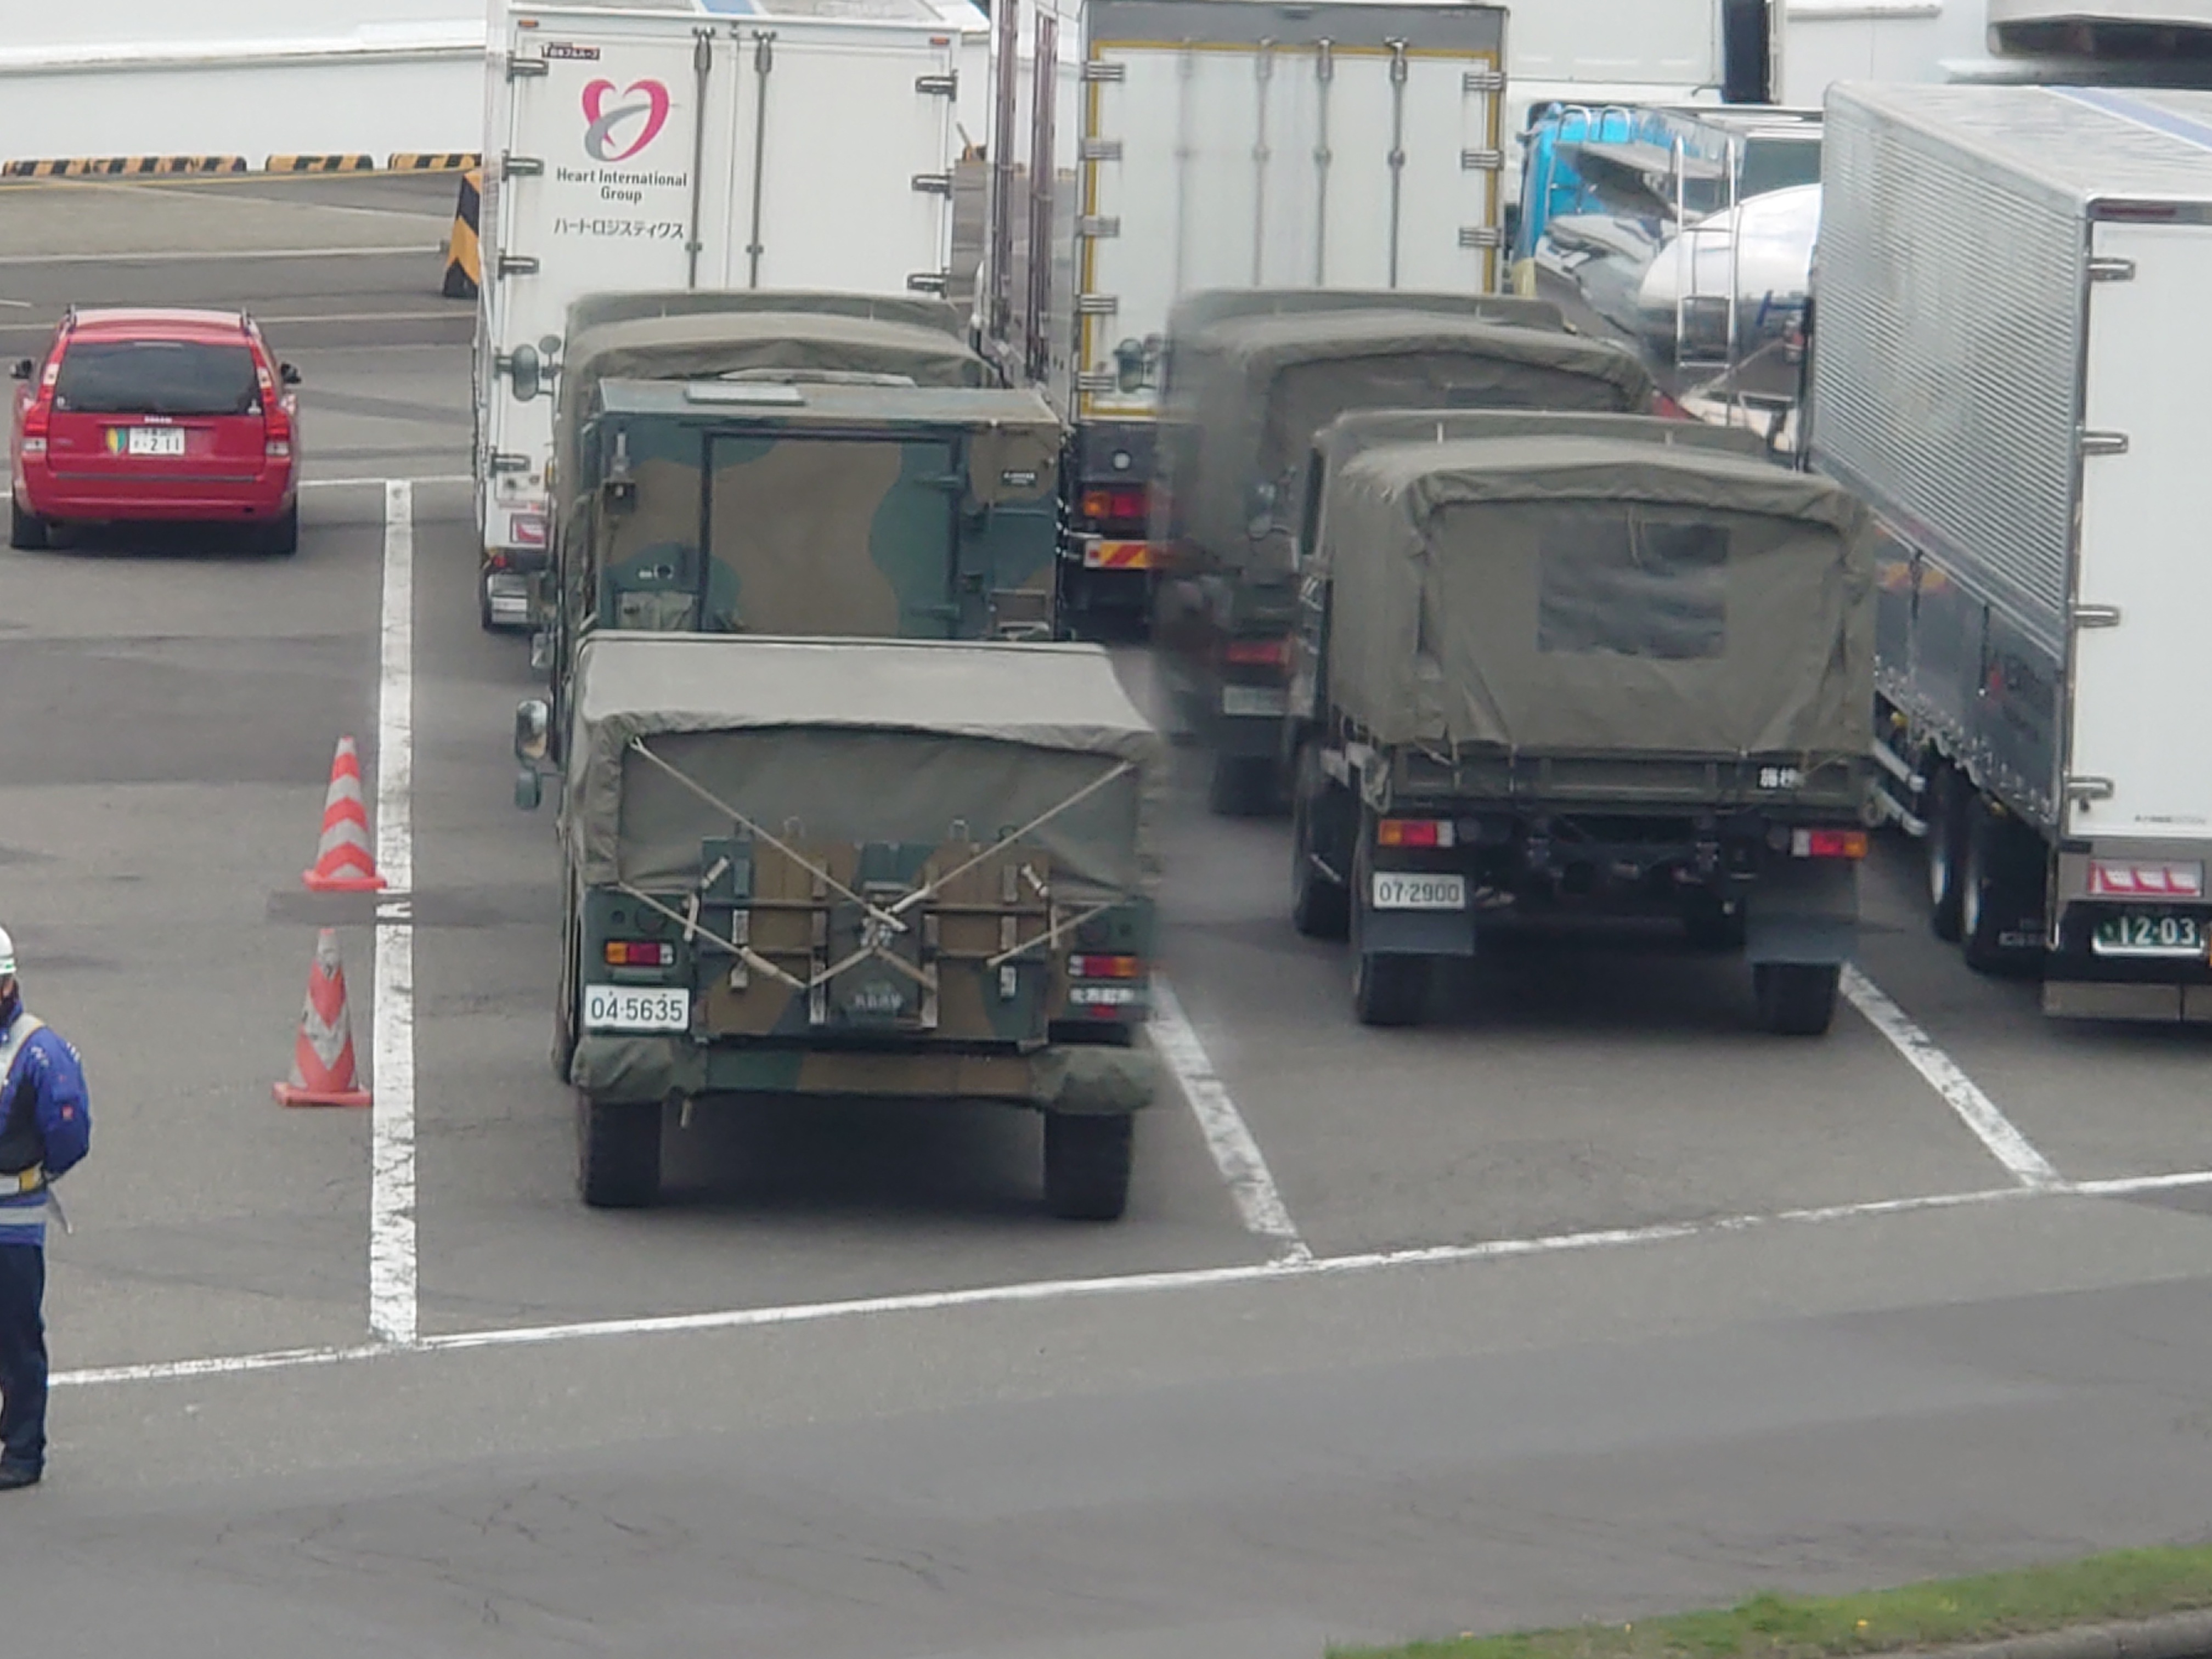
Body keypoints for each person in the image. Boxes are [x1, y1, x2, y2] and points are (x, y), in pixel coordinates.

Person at [0, 924, 91, 1491]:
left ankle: (23, 1452)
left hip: (14, 1222)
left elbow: (70, 1132)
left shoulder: (39, 1052)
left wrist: (35, 1176)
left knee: (15, 1337)